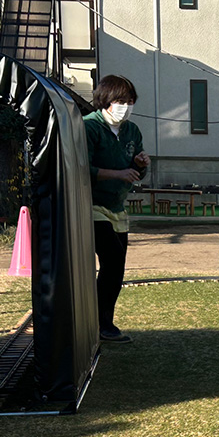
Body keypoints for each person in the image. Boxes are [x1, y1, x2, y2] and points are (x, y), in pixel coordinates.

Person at [84, 74, 150, 343]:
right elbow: (81, 169)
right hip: (91, 205)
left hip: (117, 207)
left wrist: (140, 165)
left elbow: (135, 173)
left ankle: (105, 322)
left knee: (117, 266)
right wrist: (118, 174)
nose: (126, 106)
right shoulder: (89, 128)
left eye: (130, 101)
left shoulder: (132, 131)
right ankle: (100, 323)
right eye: (120, 100)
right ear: (105, 100)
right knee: (111, 257)